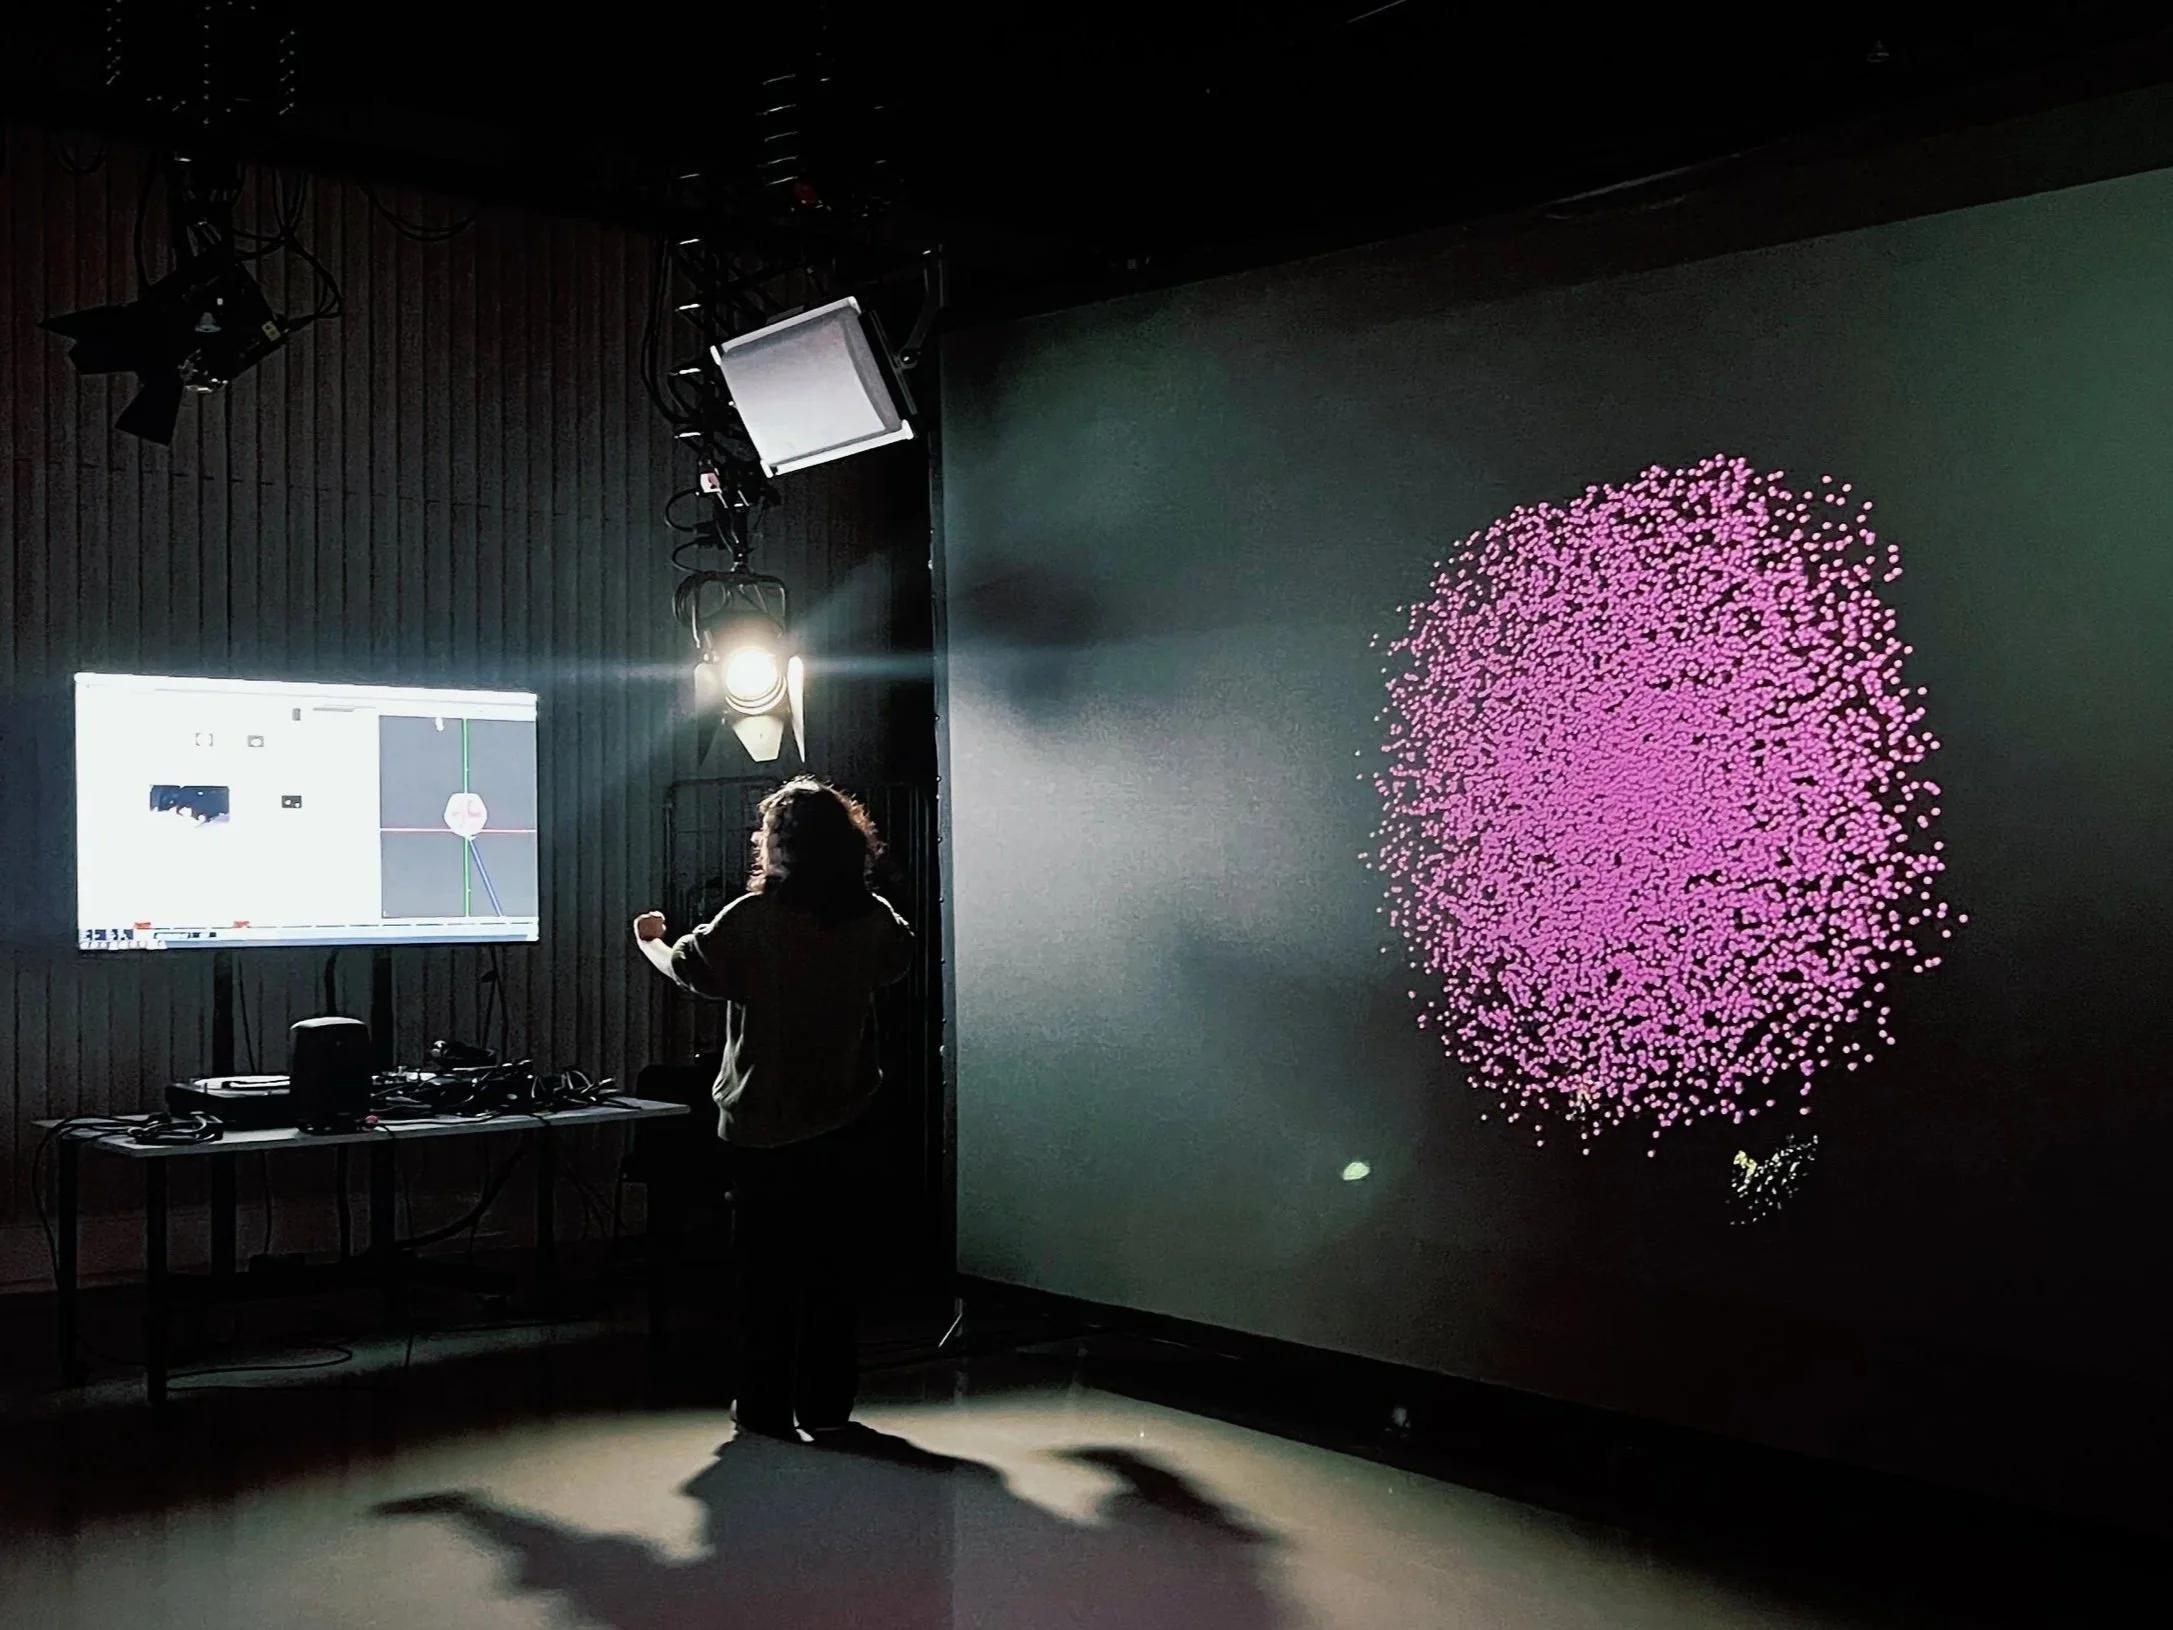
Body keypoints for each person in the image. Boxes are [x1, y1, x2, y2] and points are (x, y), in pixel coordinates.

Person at [633, 777, 913, 1440]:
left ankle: (762, 1407)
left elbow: (689, 969)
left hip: (762, 1128)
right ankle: (826, 1407)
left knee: (765, 1276)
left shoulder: (752, 920)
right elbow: (897, 963)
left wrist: (650, 939)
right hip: (845, 1119)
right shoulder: (874, 918)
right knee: (832, 1273)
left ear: (778, 847)